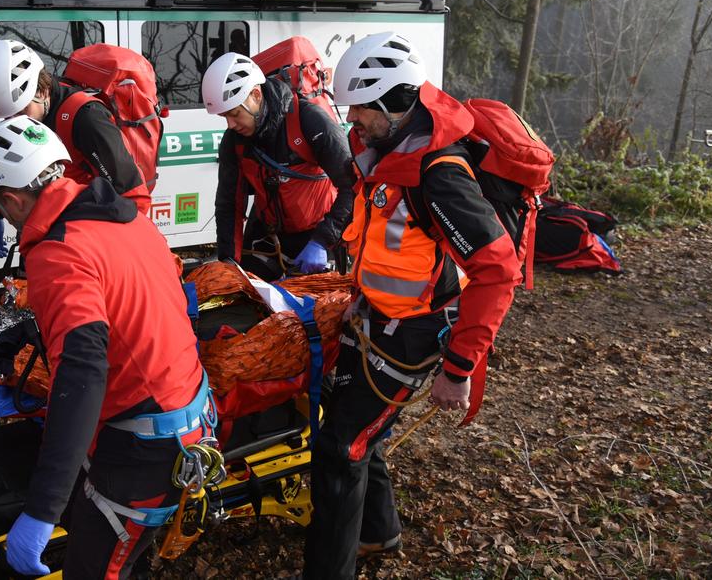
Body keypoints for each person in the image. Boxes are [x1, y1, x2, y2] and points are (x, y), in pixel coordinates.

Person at [302, 32, 522, 578]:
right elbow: (385, 241)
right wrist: (360, 297)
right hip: (380, 318)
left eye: (361, 108)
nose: (351, 119)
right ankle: (378, 532)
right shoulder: (387, 152)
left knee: (340, 448)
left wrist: (460, 368)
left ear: (395, 103)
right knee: (358, 429)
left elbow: (497, 273)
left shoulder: (439, 174)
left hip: (418, 331)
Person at [0, 117, 210, 579]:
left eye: (0, 211)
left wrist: (43, 508)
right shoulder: (120, 214)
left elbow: (81, 376)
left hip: (147, 442)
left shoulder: (59, 252)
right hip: (185, 408)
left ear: (14, 200)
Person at [0, 39, 151, 257]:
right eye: (7, 116)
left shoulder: (86, 119)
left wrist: (122, 251)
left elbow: (133, 195)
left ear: (43, 90)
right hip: (48, 227)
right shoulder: (26, 110)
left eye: (20, 112)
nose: (14, 121)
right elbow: (10, 170)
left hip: (89, 235)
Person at [201, 52, 354, 280]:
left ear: (255, 95)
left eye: (234, 114)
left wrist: (323, 241)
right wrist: (228, 261)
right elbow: (229, 204)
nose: (230, 125)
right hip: (269, 234)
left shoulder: (310, 121)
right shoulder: (234, 141)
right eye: (224, 117)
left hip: (318, 236)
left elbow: (352, 186)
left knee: (317, 311)